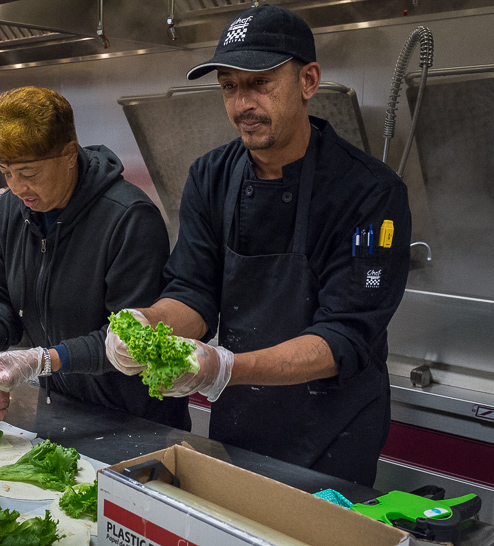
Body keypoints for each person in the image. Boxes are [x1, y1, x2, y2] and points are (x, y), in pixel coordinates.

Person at [105, 4, 411, 486]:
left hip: (333, 433)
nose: (242, 103)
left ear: (308, 81)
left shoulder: (369, 192)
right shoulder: (210, 176)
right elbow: (193, 291)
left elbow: (345, 335)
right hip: (241, 419)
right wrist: (144, 323)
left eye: (260, 82)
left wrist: (223, 367)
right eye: (229, 86)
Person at [0, 86, 190, 430]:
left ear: (70, 154)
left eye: (28, 173)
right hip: (60, 405)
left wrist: (45, 360)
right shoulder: (11, 211)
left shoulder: (128, 217)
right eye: (6, 172)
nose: (17, 187)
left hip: (134, 417)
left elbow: (130, 337)